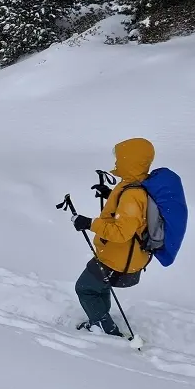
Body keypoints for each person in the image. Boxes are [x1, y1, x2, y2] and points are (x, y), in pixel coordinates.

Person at [71, 138, 155, 336]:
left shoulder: (132, 194)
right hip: (122, 254)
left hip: (118, 258)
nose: (116, 161)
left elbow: (121, 232)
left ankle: (103, 326)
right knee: (99, 286)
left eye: (120, 158)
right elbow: (134, 214)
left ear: (130, 161)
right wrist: (110, 194)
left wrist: (89, 223)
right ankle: (102, 316)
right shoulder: (136, 184)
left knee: (85, 288)